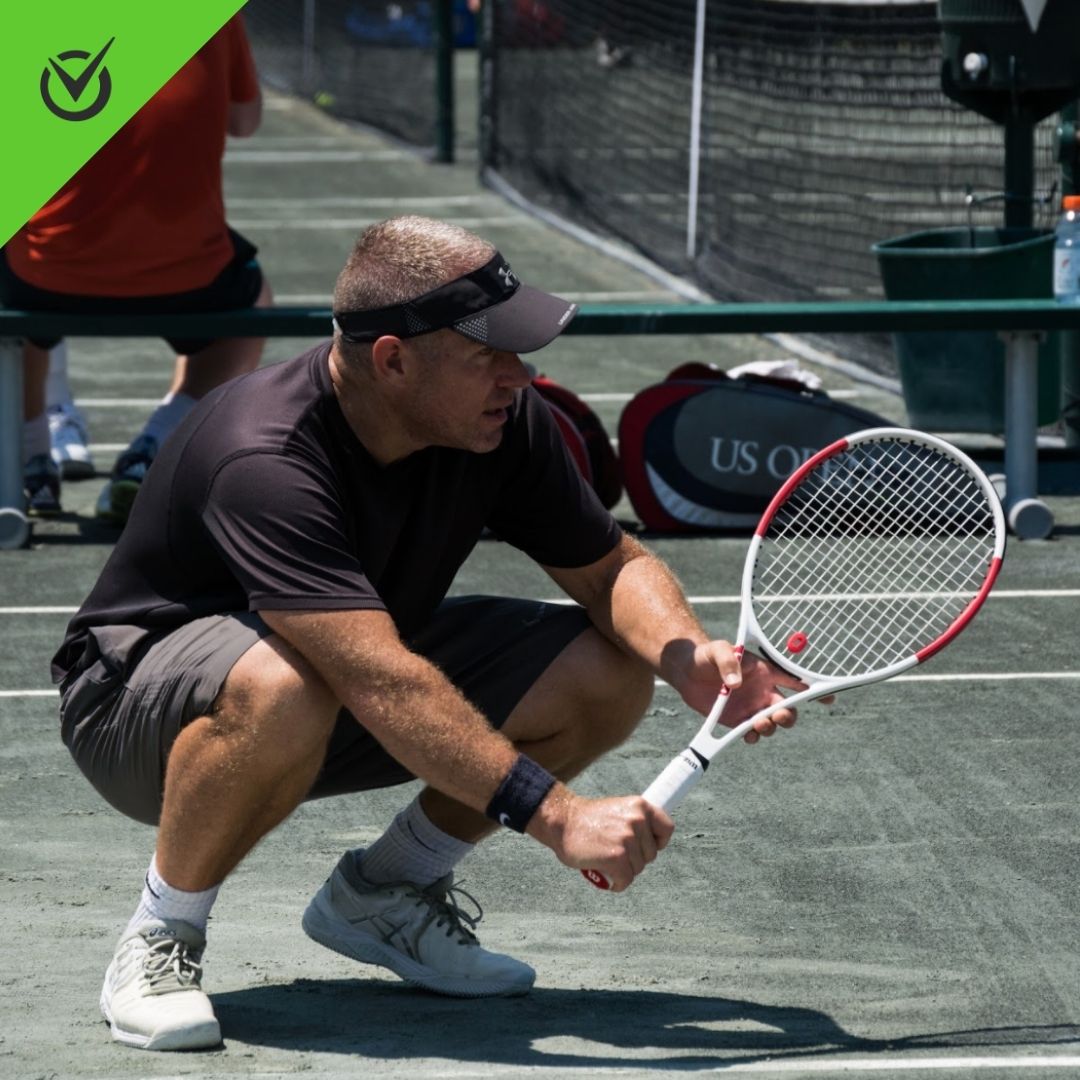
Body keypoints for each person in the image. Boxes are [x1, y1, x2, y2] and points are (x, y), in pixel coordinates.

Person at [52, 216, 805, 1052]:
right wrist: (558, 818)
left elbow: (607, 569)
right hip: (133, 713)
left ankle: (385, 893)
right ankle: (161, 936)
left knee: (608, 668)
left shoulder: (500, 421)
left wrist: (688, 659)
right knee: (288, 682)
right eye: (490, 355)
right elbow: (378, 678)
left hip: (331, 691)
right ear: (393, 359)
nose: (519, 377)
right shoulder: (263, 455)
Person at [0, 13, 271, 521]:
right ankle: (160, 442)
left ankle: (31, 453)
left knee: (17, 268)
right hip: (187, 275)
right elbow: (245, 120)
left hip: (45, 276)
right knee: (254, 304)